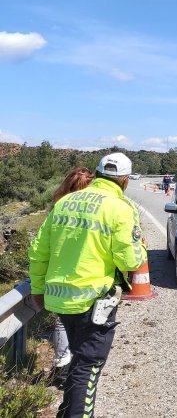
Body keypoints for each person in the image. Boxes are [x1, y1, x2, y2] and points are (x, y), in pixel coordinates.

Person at [28, 152, 148, 418]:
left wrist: (37, 290)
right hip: (94, 303)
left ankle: (65, 411)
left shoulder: (65, 203)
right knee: (88, 367)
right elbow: (128, 258)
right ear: (125, 180)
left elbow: (39, 251)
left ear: (97, 173)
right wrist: (141, 248)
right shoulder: (120, 208)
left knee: (79, 362)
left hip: (60, 300)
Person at [48, 168, 96, 382]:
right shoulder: (95, 211)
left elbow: (43, 248)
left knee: (61, 322)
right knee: (87, 327)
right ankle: (78, 370)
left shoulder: (58, 210)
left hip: (58, 280)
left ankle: (62, 365)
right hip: (88, 282)